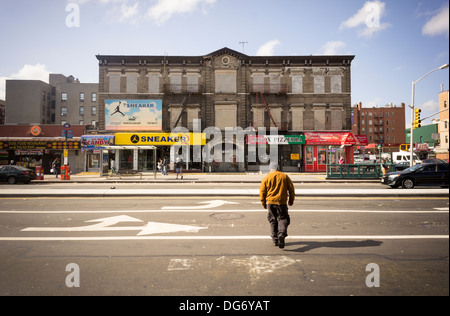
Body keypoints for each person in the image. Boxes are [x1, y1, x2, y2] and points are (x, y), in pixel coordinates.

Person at [260, 162, 295, 249]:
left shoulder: (266, 178)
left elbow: (262, 192)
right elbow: (291, 189)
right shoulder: (284, 176)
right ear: (278, 168)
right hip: (281, 203)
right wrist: (291, 200)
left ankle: (275, 240)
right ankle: (281, 234)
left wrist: (264, 203)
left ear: (270, 168)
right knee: (283, 219)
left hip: (270, 203)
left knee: (273, 220)